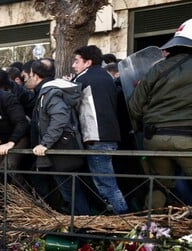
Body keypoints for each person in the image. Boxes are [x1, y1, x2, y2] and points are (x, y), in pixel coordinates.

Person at [128, 18, 192, 208]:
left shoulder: (157, 68)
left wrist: (143, 125)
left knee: (160, 186)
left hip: (154, 138)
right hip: (188, 139)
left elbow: (134, 106)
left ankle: (151, 232)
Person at [27, 58, 91, 215]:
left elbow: (60, 118)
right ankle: (81, 225)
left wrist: (45, 144)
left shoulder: (50, 93)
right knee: (70, 192)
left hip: (62, 152)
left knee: (72, 193)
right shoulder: (48, 92)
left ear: (35, 76)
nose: (27, 78)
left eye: (29, 75)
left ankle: (83, 227)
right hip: (61, 151)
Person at [72, 45, 129, 214]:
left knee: (106, 185)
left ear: (87, 62)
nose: (74, 65)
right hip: (111, 135)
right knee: (107, 182)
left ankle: (124, 221)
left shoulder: (83, 79)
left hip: (95, 137)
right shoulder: (106, 76)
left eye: (76, 61)